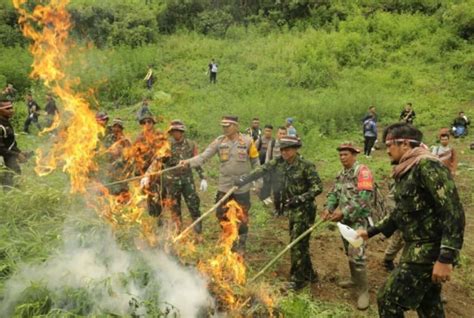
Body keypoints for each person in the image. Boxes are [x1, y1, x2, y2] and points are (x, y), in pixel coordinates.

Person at [357, 123, 465, 318]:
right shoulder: (407, 170)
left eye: (390, 144)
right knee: (429, 305)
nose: (387, 150)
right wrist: (370, 232)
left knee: (388, 299)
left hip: (427, 252)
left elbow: (452, 210)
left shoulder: (427, 165)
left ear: (405, 144)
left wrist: (446, 257)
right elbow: (401, 212)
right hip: (415, 249)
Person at [235, 136, 323, 290]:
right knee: (299, 242)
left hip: (304, 209)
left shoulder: (306, 166)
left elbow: (317, 187)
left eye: (287, 149)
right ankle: (309, 274)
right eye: (282, 149)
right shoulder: (279, 162)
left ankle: (297, 281)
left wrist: (300, 198)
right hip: (292, 209)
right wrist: (245, 179)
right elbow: (262, 169)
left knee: (296, 243)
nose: (284, 152)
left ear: (295, 149)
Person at [179, 115, 260, 254]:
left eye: (227, 126)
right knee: (220, 213)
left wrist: (258, 182)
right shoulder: (219, 142)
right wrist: (188, 162)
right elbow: (203, 157)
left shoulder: (247, 141)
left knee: (242, 216)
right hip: (224, 186)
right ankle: (229, 238)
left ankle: (241, 243)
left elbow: (256, 163)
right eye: (223, 126)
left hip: (242, 187)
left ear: (235, 126)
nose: (224, 128)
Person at [321, 143, 373, 310]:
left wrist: (343, 212)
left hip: (358, 221)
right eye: (341, 155)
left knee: (357, 255)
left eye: (346, 155)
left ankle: (363, 291)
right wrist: (328, 208)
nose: (342, 157)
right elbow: (335, 194)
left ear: (354, 155)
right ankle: (353, 279)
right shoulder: (341, 174)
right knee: (348, 252)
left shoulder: (363, 172)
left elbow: (364, 199)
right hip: (344, 222)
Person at [143, 120, 207, 234]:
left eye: (177, 131)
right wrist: (147, 175)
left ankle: (198, 233)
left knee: (194, 206)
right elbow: (157, 161)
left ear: (182, 131)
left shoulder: (191, 145)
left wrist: (203, 178)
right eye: (173, 131)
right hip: (172, 182)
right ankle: (178, 232)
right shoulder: (166, 146)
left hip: (188, 181)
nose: (175, 133)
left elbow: (197, 161)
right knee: (175, 208)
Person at [134, 113, 168, 217]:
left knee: (161, 190)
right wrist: (138, 169)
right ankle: (153, 212)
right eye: (144, 122)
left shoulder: (159, 134)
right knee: (149, 191)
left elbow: (166, 149)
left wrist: (160, 158)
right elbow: (135, 153)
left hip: (158, 166)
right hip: (145, 169)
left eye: (149, 122)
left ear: (153, 123)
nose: (147, 124)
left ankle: (161, 210)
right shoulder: (140, 137)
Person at [0, 95, 26, 189]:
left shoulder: (6, 122)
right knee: (8, 185)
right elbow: (1, 149)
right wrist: (17, 155)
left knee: (17, 178)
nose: (11, 110)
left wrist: (19, 152)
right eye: (7, 108)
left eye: (11, 107)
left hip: (9, 158)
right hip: (2, 161)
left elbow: (10, 143)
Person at [103, 118, 132, 196]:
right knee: (111, 186)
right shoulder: (108, 138)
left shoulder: (126, 141)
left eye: (119, 127)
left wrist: (117, 161)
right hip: (110, 166)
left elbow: (128, 155)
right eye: (115, 127)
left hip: (121, 167)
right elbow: (105, 152)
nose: (116, 129)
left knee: (122, 186)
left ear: (121, 129)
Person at [265, 126, 287, 216]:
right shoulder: (273, 142)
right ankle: (277, 209)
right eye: (280, 133)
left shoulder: (289, 143)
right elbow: (268, 155)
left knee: (286, 191)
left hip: (286, 171)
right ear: (277, 134)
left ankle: (285, 209)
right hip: (275, 170)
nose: (282, 135)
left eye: (284, 133)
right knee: (276, 191)